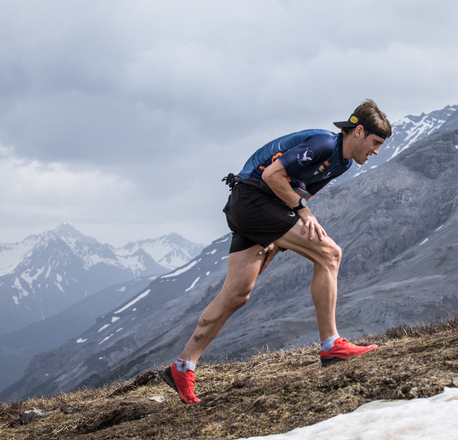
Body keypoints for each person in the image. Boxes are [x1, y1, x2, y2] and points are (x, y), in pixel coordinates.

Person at [161, 99, 393, 403]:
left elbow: (299, 190)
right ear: (359, 131)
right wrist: (304, 213)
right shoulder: (324, 144)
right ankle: (331, 345)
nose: (376, 151)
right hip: (253, 198)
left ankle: (182, 367)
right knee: (330, 254)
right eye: (375, 142)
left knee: (236, 295)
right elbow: (272, 176)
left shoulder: (343, 162)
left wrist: (276, 234)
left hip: (258, 207)